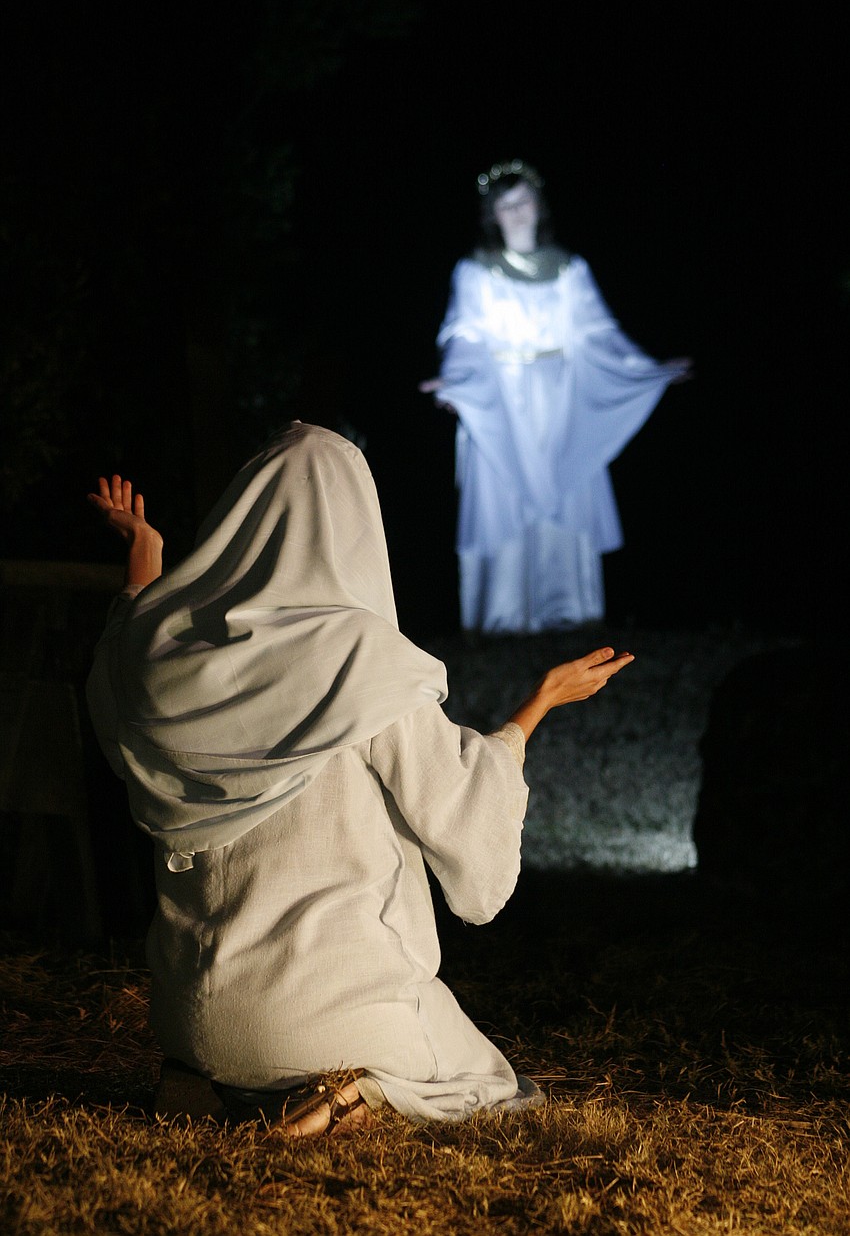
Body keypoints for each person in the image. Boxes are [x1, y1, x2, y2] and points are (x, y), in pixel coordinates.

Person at [85, 421, 634, 1137]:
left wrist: (144, 552)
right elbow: (465, 815)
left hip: (188, 1016)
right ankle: (356, 1091)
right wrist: (536, 708)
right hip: (331, 1018)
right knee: (481, 1073)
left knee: (225, 1035)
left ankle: (207, 1083)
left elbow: (128, 641)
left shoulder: (161, 659)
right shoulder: (361, 661)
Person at [420, 159, 692, 635]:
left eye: (523, 201)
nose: (517, 212)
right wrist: (456, 380)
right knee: (504, 498)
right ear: (494, 215)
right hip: (502, 401)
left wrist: (648, 370)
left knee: (565, 491)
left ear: (538, 206)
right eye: (506, 205)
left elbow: (598, 333)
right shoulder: (475, 271)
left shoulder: (570, 268)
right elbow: (466, 333)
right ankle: (502, 619)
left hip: (559, 400)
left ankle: (567, 613)